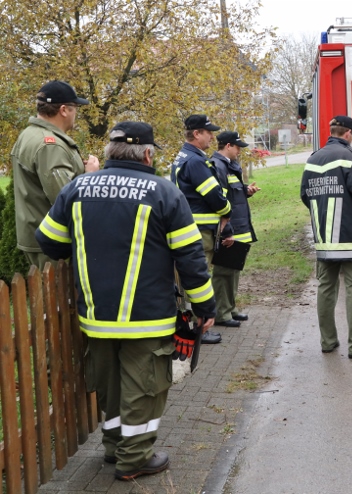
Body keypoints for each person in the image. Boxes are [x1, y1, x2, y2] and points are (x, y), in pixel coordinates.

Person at [35, 121, 216, 481]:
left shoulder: (77, 187)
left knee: (111, 386)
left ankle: (114, 447)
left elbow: (49, 242)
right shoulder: (164, 193)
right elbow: (190, 258)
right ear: (147, 153)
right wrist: (205, 307)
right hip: (146, 316)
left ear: (109, 152)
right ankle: (133, 459)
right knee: (144, 389)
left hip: (96, 315)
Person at [300, 116, 352, 359]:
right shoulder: (349, 156)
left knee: (326, 289)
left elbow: (305, 195)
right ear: (348, 134)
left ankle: (328, 342)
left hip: (324, 239)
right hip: (350, 236)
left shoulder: (313, 158)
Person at [12, 80, 100, 268]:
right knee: (59, 287)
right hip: (53, 242)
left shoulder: (30, 134)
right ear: (64, 110)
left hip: (40, 234)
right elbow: (65, 199)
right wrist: (90, 177)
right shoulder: (50, 146)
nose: (76, 114)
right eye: (75, 108)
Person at [170, 114, 230, 342]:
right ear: (196, 134)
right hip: (200, 230)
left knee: (189, 277)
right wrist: (227, 210)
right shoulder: (195, 161)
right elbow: (213, 194)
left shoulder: (183, 156)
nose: (212, 137)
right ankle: (200, 327)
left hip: (188, 226)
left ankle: (194, 323)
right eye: (208, 133)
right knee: (199, 278)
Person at [210, 131, 256, 325]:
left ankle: (230, 308)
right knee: (223, 273)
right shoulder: (217, 166)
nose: (239, 151)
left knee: (234, 270)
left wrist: (246, 191)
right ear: (228, 146)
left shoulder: (229, 166)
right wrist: (226, 230)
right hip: (229, 229)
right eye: (237, 147)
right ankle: (221, 313)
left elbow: (233, 193)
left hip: (238, 227)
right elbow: (219, 200)